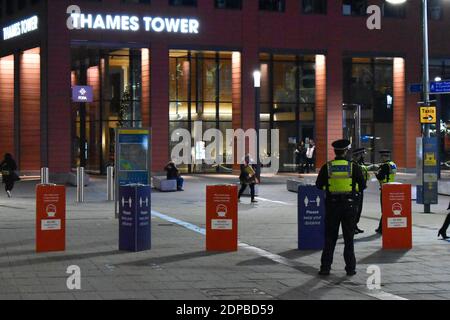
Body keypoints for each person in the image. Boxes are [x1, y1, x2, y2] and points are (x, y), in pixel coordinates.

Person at [316, 139, 366, 276]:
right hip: (349, 206)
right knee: (349, 238)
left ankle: (325, 268)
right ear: (345, 151)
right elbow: (362, 186)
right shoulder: (353, 166)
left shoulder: (328, 167)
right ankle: (350, 268)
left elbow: (318, 185)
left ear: (335, 151)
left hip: (332, 205)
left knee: (330, 238)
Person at [375, 150, 397, 234]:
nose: (381, 158)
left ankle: (382, 228)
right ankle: (381, 227)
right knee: (387, 209)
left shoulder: (384, 166)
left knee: (384, 209)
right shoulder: (393, 164)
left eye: (381, 157)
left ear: (384, 156)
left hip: (385, 188)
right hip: (391, 187)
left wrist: (376, 174)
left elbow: (380, 177)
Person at [352, 147, 370, 234]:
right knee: (355, 210)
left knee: (358, 209)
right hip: (355, 190)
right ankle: (352, 227)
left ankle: (355, 225)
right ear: (359, 155)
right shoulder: (354, 164)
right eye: (362, 154)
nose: (363, 156)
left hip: (360, 189)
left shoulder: (361, 164)